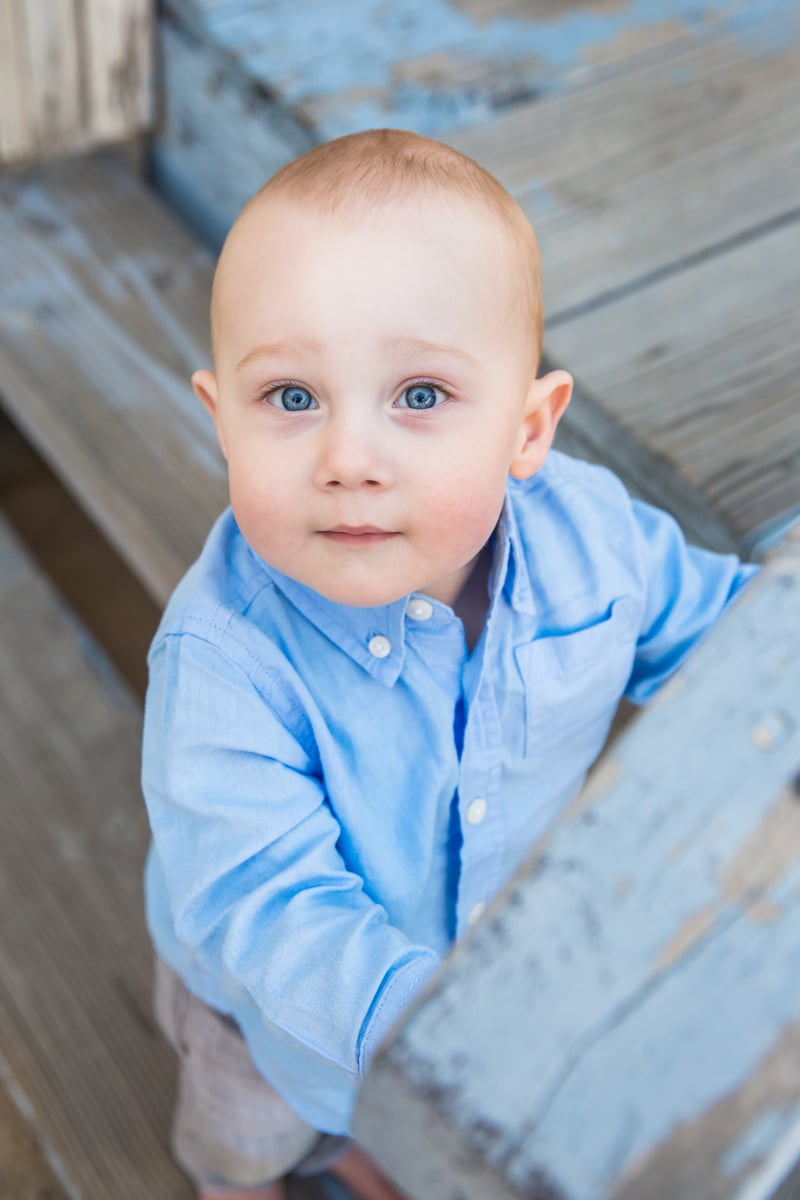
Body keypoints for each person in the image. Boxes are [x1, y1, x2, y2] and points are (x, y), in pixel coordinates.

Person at [141, 128, 756, 1199]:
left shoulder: (592, 541)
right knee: (249, 1131)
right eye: (291, 398)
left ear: (528, 429)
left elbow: (729, 638)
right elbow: (265, 905)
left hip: (492, 960)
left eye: (419, 395)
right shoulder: (225, 660)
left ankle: (374, 1141)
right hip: (270, 1021)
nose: (349, 461)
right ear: (222, 421)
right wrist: (434, 1046)